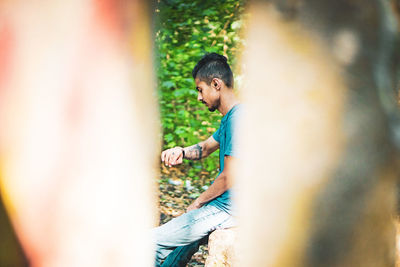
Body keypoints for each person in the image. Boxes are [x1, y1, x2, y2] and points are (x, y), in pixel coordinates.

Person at [154, 52, 241, 267]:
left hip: (228, 209)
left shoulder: (240, 118)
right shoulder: (231, 119)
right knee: (182, 247)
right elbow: (205, 148)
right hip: (225, 207)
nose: (199, 98)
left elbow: (229, 176)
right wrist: (181, 152)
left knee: (150, 242)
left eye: (200, 90)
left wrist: (198, 202)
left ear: (216, 84)